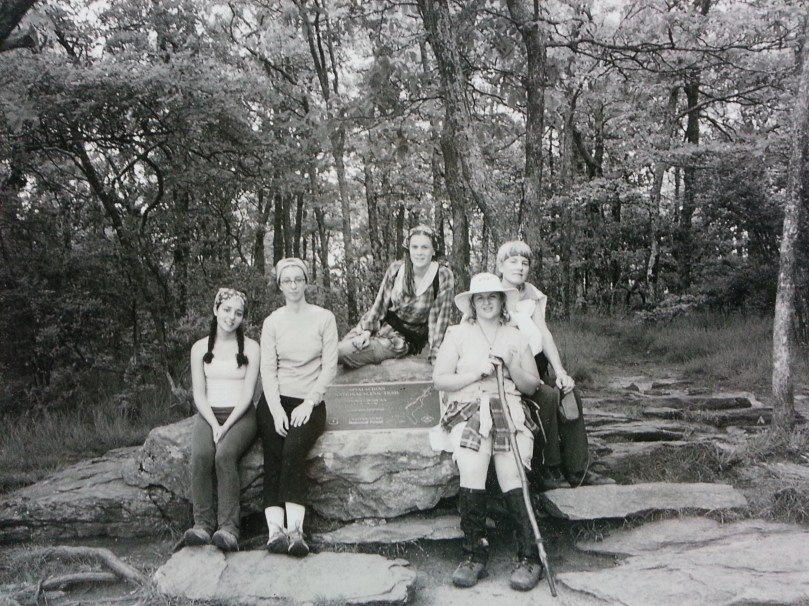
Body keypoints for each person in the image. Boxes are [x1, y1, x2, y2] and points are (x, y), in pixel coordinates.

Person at [431, 273, 544, 591]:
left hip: (508, 407)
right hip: (468, 410)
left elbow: (532, 385)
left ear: (502, 300)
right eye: (480, 297)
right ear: (472, 303)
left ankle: (529, 558)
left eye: (492, 296)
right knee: (472, 466)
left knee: (511, 473)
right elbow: (440, 379)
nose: (486, 302)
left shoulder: (516, 335)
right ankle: (474, 555)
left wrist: (511, 367)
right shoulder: (457, 334)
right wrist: (474, 373)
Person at [496, 240, 612, 488]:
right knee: (547, 397)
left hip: (537, 366)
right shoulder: (492, 295)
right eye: (513, 261)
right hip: (511, 373)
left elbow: (544, 334)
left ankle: (578, 469)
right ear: (500, 265)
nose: (519, 267)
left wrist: (560, 371)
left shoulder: (531, 294)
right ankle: (550, 469)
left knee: (570, 393)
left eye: (524, 263)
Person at [257, 258, 338, 557]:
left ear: (306, 282)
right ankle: (274, 531)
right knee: (274, 452)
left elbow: (330, 367)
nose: (292, 285)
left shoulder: (324, 318)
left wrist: (309, 401)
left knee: (293, 450)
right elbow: (268, 369)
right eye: (286, 280)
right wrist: (276, 409)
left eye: (297, 279)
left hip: (309, 402)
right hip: (276, 400)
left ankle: (296, 531)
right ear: (279, 285)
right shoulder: (273, 322)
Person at [184, 288, 260, 552]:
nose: (231, 317)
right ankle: (202, 525)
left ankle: (228, 529)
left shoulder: (251, 347)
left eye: (238, 313)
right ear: (216, 310)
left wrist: (226, 427)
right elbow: (199, 394)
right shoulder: (199, 348)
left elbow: (248, 393)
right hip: (209, 413)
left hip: (241, 415)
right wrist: (214, 425)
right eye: (227, 310)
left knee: (224, 456)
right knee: (202, 455)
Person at [338, 224, 454, 368]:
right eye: (415, 247)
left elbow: (440, 318)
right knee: (333, 352)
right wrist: (366, 332)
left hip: (401, 339)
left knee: (344, 353)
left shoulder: (442, 275)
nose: (419, 253)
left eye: (424, 247)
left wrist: (435, 353)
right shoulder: (397, 269)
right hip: (379, 325)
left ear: (433, 251)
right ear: (408, 249)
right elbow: (380, 305)